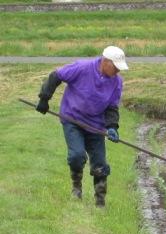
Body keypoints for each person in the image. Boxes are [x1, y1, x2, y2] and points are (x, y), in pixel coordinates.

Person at [35, 46, 129, 207]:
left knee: (100, 163)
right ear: (105, 62)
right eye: (116, 67)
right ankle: (76, 188)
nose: (118, 71)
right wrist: (44, 98)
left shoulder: (116, 82)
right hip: (73, 118)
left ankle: (100, 202)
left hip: (96, 125)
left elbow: (112, 107)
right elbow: (56, 76)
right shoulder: (82, 68)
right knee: (77, 156)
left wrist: (112, 126)